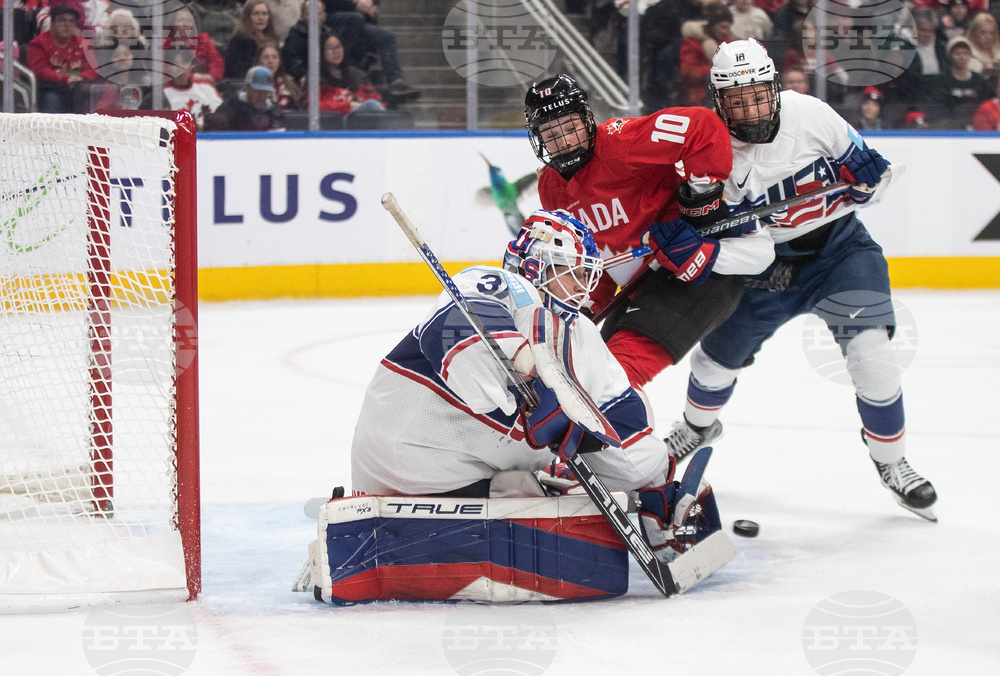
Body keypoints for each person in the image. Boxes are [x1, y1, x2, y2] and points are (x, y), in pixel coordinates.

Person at [661, 38, 938, 521]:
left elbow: (867, 184)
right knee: (712, 365)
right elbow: (713, 234)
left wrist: (869, 179)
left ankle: (892, 461)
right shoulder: (710, 151)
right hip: (763, 268)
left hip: (839, 251)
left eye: (758, 95)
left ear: (773, 87)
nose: (750, 110)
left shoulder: (810, 114)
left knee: (873, 358)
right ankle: (697, 426)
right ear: (717, 100)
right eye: (737, 100)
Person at [350, 209, 723, 564]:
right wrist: (528, 377)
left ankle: (660, 531)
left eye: (583, 275)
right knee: (541, 500)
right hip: (401, 462)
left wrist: (654, 482)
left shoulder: (583, 337)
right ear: (533, 266)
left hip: (469, 481)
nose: (580, 287)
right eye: (568, 272)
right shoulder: (499, 285)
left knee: (547, 497)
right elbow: (456, 330)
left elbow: (621, 425)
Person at [524, 73, 774, 401]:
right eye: (552, 134)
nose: (565, 142)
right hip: (637, 288)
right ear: (537, 139)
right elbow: (591, 260)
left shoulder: (622, 141)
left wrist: (701, 203)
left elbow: (703, 125)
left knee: (611, 384)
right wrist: (581, 307)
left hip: (691, 273)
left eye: (570, 128)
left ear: (587, 119)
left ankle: (648, 453)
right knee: (582, 379)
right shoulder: (551, 188)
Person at [323, 0, 419, 99]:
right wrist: (355, 5)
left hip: (358, 20)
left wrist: (372, 4)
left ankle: (395, 81)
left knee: (387, 37)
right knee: (355, 18)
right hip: (331, 16)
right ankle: (344, 65)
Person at [27, 3, 98, 113]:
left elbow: (94, 69)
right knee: (52, 99)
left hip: (78, 90)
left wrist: (79, 78)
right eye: (62, 20)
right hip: (51, 89)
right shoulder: (39, 43)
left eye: (71, 21)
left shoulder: (83, 44)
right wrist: (65, 78)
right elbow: (39, 70)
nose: (67, 25)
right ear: (52, 23)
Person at [315, 33, 384, 116]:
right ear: (321, 51)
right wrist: (349, 106)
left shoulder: (356, 74)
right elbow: (313, 106)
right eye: (330, 48)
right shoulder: (315, 78)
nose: (336, 51)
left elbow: (375, 100)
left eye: (339, 47)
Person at [679, 2, 733, 106]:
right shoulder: (692, 42)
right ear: (711, 26)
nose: (726, 31)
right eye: (722, 27)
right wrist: (717, 72)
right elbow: (688, 71)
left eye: (728, 27)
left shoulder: (728, 42)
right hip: (699, 94)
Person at [203, 64, 285, 131]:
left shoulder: (274, 111)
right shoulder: (231, 107)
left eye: (265, 92)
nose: (261, 96)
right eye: (257, 91)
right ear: (248, 87)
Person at [163, 46, 223, 129]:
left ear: (191, 65)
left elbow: (221, 117)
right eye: (175, 65)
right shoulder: (161, 94)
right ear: (167, 67)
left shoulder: (207, 89)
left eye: (184, 63)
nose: (180, 69)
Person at [165, 4, 225, 84]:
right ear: (172, 24)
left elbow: (216, 62)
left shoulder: (203, 40)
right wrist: (192, 77)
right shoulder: (166, 43)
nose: (185, 24)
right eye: (181, 20)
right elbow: (162, 70)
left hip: (203, 85)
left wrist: (211, 76)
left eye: (189, 21)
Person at [936, 35, 988, 126]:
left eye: (965, 53)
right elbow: (940, 106)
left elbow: (984, 102)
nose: (962, 57)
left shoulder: (978, 79)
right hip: (950, 124)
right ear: (951, 55)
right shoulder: (942, 79)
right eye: (958, 53)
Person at [223, 0, 280, 79]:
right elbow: (236, 72)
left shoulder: (273, 39)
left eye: (264, 14)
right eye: (256, 13)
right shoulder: (239, 41)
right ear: (247, 17)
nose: (261, 18)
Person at [256, 42, 302, 110]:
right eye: (266, 57)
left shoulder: (290, 86)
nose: (270, 61)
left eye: (274, 57)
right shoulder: (251, 86)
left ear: (279, 62)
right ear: (259, 61)